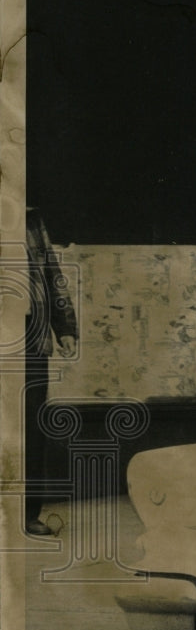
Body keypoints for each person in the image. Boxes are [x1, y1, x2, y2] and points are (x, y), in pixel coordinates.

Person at [23, 207, 78, 536]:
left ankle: (27, 514)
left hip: (30, 338)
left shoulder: (31, 220)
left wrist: (65, 326)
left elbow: (52, 275)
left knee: (31, 428)